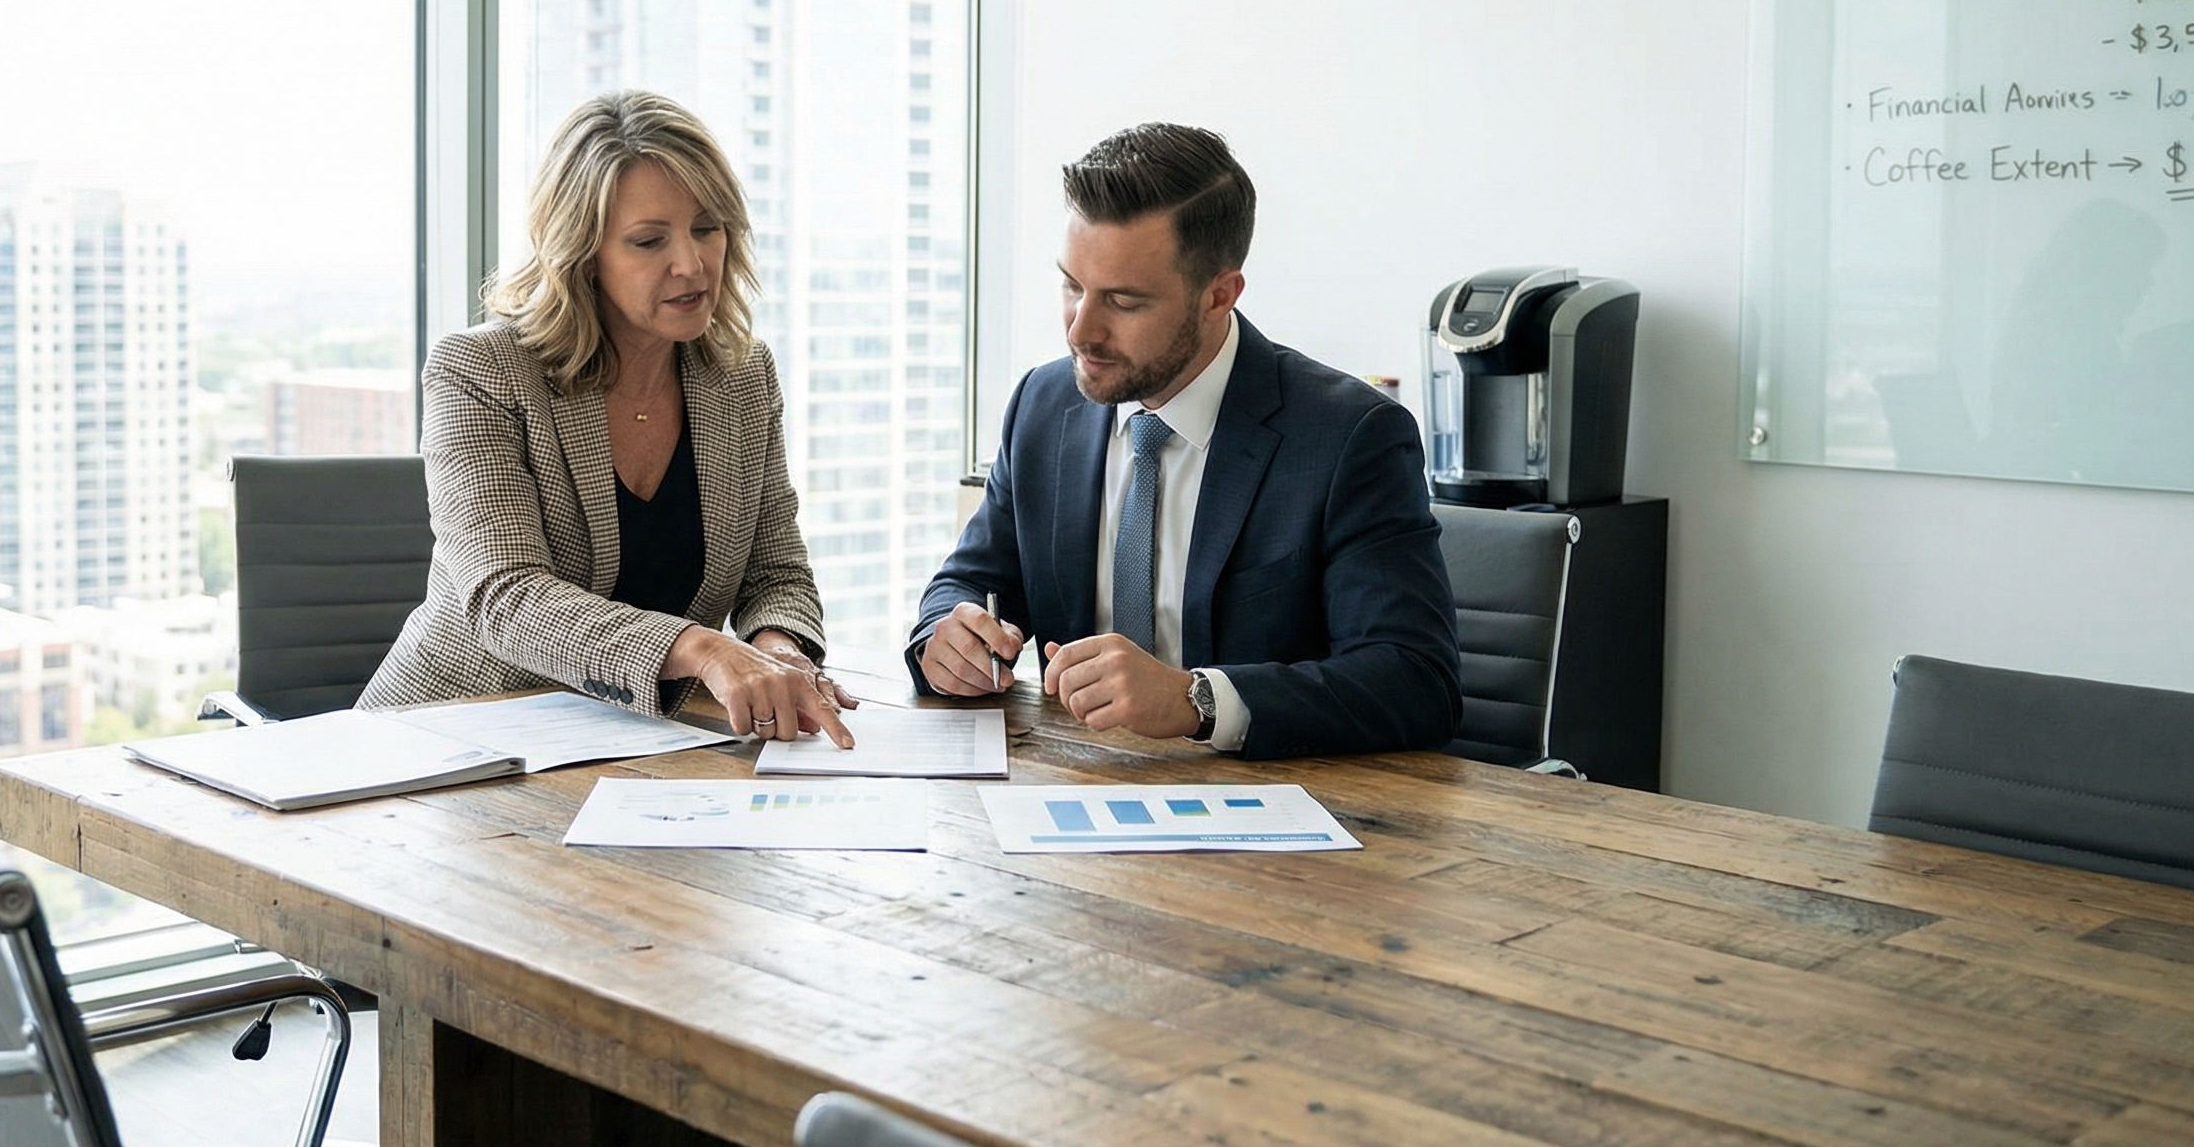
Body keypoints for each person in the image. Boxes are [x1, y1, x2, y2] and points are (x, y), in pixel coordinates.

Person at [907, 123, 1458, 758]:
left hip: (1277, 825)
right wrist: (949, 638)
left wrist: (1194, 700)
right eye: (1071, 286)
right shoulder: (1042, 404)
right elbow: (970, 582)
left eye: (1123, 301)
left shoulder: (1348, 438)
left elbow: (1416, 682)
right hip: (1073, 800)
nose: (1081, 331)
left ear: (1219, 295)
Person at [362, 91, 854, 747]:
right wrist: (704, 649)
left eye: (707, 228)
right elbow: (506, 599)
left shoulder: (740, 375)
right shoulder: (480, 371)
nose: (692, 263)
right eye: (650, 240)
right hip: (451, 738)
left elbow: (775, 570)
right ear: (582, 254)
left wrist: (777, 647)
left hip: (637, 746)